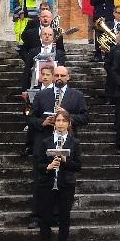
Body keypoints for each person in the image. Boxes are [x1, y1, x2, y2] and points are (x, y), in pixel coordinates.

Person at [26, 66, 88, 228]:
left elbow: (85, 117)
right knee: (40, 178)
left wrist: (67, 116)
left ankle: (59, 215)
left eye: (63, 75)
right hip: (44, 140)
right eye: (57, 75)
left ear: (69, 77)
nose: (59, 77)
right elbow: (30, 117)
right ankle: (37, 215)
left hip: (66, 141)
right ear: (53, 77)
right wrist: (42, 122)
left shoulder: (77, 95)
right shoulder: (41, 94)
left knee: (63, 178)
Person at [34, 109, 83, 241]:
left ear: (68, 123)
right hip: (47, 184)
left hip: (66, 185)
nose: (60, 124)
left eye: (63, 121)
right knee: (45, 219)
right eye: (58, 121)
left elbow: (78, 166)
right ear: (54, 123)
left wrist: (65, 160)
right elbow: (38, 164)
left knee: (64, 218)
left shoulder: (74, 143)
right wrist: (48, 167)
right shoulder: (45, 142)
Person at [21, 27, 67, 92]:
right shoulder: (33, 52)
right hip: (36, 86)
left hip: (54, 87)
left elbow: (62, 71)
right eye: (45, 34)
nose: (47, 36)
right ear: (40, 36)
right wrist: (24, 90)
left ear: (53, 37)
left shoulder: (59, 53)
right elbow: (27, 70)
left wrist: (53, 63)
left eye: (50, 35)